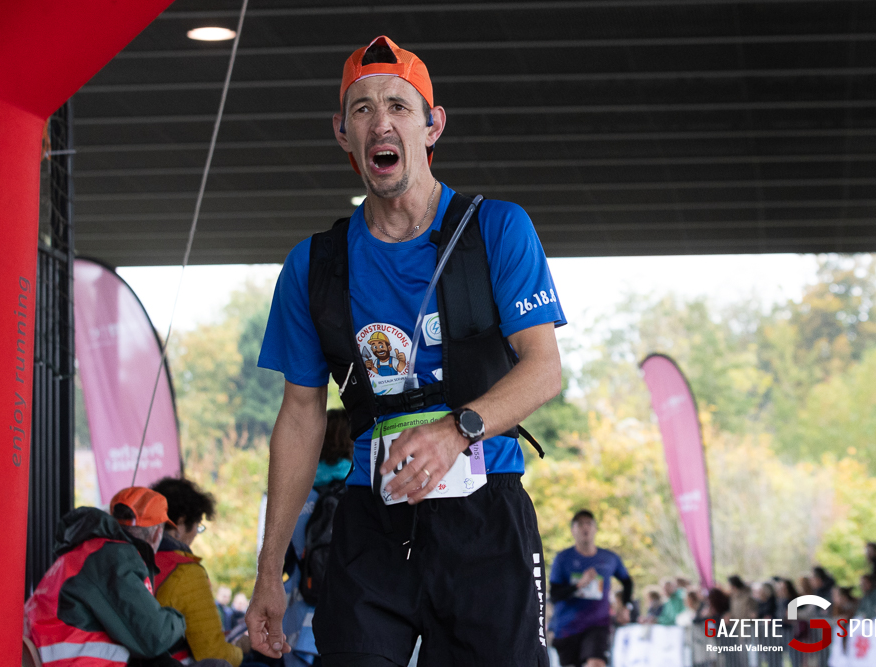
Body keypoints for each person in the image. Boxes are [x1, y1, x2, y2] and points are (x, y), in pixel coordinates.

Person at [248, 35, 565, 667]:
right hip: (372, 519)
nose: (380, 121)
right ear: (343, 134)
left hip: (485, 514)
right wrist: (269, 569)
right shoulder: (313, 265)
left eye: (398, 104)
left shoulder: (497, 228)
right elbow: (302, 417)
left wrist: (457, 430)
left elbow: (543, 369)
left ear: (432, 125)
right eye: (361, 109)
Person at [23, 487, 187, 667]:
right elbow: (155, 635)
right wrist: (180, 620)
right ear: (157, 532)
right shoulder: (113, 557)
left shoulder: (80, 554)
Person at [281, 408, 354, 667]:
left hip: (300, 612)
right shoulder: (360, 488)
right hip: (349, 611)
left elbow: (283, 561)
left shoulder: (296, 492)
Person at [150, 477, 248, 666]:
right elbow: (212, 653)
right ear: (180, 523)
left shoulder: (129, 557)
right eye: (198, 526)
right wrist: (241, 648)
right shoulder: (185, 572)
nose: (196, 533)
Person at [549, 510, 633, 667]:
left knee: (596, 663)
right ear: (573, 530)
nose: (585, 528)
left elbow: (627, 582)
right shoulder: (562, 558)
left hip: (597, 624)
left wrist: (626, 606)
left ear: (595, 529)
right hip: (567, 627)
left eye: (589, 523)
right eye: (580, 524)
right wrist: (579, 585)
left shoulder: (609, 558)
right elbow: (554, 595)